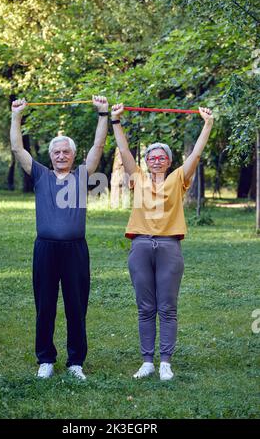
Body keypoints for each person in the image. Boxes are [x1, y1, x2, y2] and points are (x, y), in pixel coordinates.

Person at [111, 103, 214, 381]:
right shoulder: (138, 178)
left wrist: (207, 124)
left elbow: (196, 154)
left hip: (169, 247)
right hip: (141, 247)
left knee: (167, 307)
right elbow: (123, 152)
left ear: (169, 162)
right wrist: (116, 121)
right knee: (145, 307)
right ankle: (147, 361)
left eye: (161, 157)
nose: (156, 160)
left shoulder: (179, 179)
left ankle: (165, 361)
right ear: (146, 162)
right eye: (152, 157)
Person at [10, 95, 109, 380]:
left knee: (76, 307)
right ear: (51, 156)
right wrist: (17, 115)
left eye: (66, 152)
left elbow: (99, 146)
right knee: (45, 306)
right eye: (57, 152)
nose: (62, 155)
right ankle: (46, 360)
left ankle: (75, 361)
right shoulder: (40, 174)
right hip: (46, 250)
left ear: (73, 155)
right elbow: (17, 148)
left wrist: (103, 114)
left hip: (76, 250)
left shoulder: (82, 174)